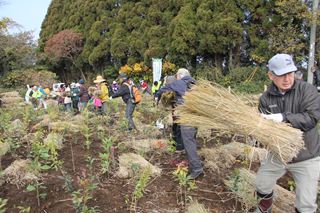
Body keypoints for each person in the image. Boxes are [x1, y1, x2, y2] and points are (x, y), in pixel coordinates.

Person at [256, 53, 320, 213]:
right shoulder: (265, 98)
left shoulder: (307, 90)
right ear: (271, 75)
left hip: (306, 154)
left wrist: (283, 118)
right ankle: (264, 209)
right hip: (279, 153)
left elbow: (312, 118)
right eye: (281, 75)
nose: (287, 79)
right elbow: (264, 129)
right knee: (262, 183)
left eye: (290, 73)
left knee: (306, 204)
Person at [155, 68, 203, 180]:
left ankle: (196, 169)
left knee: (188, 143)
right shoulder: (196, 84)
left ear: (179, 75)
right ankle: (193, 165)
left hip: (187, 118)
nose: (176, 78)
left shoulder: (179, 82)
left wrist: (157, 95)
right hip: (197, 118)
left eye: (176, 76)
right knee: (192, 140)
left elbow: (163, 89)